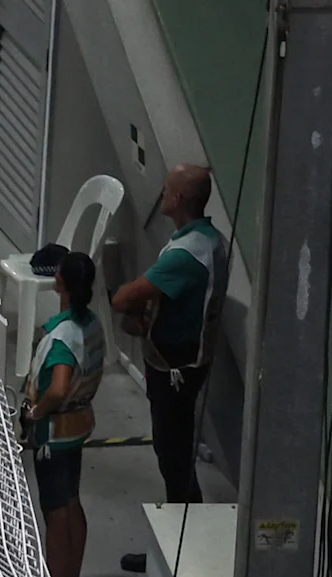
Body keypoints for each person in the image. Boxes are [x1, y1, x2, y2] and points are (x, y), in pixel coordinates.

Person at [108, 165, 222, 505]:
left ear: (178, 198)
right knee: (175, 450)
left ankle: (181, 534)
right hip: (185, 361)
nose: (161, 193)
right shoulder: (204, 240)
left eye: (166, 188)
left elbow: (123, 298)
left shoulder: (185, 256)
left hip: (176, 367)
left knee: (172, 455)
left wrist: (133, 307)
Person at [22, 251, 105, 577]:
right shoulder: (91, 325)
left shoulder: (62, 338)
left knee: (55, 513)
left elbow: (57, 388)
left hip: (54, 435)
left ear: (61, 284)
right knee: (72, 502)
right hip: (79, 427)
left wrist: (35, 412)